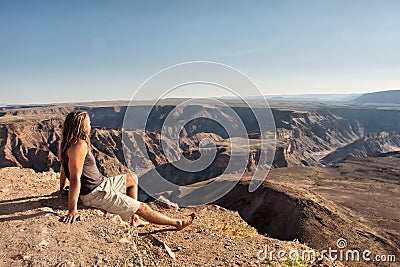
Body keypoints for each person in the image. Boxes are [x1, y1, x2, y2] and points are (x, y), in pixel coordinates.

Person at [58, 111, 195, 229]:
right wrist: (72, 210)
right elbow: (75, 177)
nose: (90, 125)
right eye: (88, 123)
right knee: (142, 207)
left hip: (101, 183)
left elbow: (64, 169)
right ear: (81, 127)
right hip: (96, 193)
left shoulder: (67, 144)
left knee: (132, 179)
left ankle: (134, 219)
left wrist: (61, 189)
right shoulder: (79, 145)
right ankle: (178, 223)